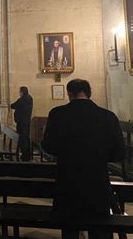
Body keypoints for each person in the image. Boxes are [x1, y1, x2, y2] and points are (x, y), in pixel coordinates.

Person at [41, 79, 125, 239]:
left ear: (69, 93)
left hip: (67, 182)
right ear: (89, 92)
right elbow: (120, 153)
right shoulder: (107, 116)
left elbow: (48, 146)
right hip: (97, 183)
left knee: (70, 229)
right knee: (100, 229)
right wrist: (98, 157)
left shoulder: (57, 114)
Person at [10, 86, 33, 161]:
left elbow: (13, 105)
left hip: (21, 122)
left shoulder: (22, 99)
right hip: (27, 121)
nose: (19, 93)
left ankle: (25, 155)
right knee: (26, 137)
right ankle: (27, 154)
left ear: (22, 92)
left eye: (19, 92)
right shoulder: (30, 98)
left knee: (23, 138)